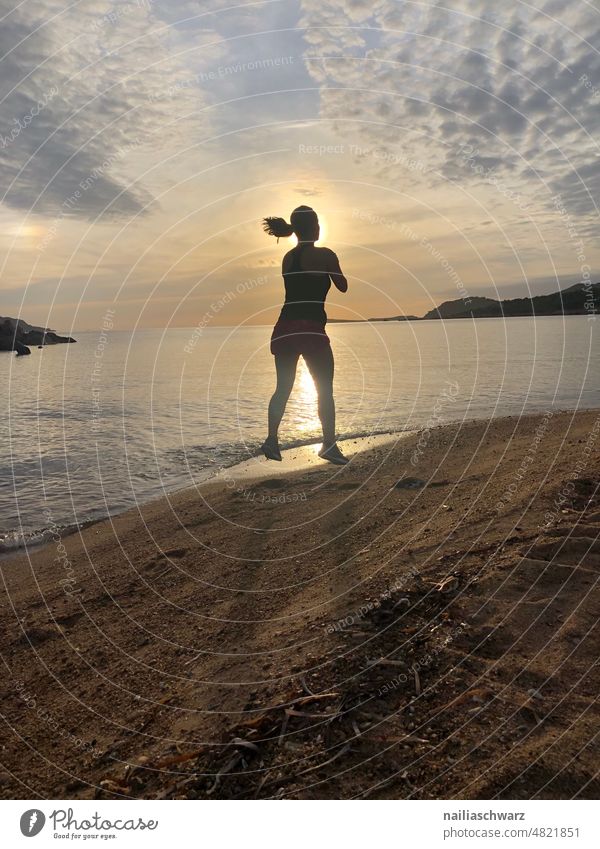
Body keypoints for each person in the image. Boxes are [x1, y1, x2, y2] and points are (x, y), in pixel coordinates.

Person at [261, 205, 349, 465]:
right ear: (314, 228)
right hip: (310, 328)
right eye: (318, 224)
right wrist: (332, 264)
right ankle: (328, 445)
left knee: (283, 388)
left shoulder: (288, 257)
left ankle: (272, 440)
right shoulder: (326, 254)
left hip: (284, 328)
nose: (320, 228)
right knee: (324, 389)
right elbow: (342, 286)